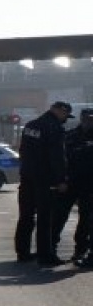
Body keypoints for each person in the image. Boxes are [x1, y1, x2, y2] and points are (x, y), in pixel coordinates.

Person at [13, 100, 73, 266]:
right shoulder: (54, 128)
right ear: (59, 111)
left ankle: (22, 252)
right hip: (45, 180)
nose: (65, 119)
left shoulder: (31, 125)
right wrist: (61, 179)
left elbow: (22, 150)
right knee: (45, 218)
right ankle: (45, 256)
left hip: (27, 177)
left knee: (26, 216)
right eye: (66, 115)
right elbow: (57, 157)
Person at [64, 108, 93, 266]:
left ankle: (86, 252)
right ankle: (79, 250)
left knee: (87, 220)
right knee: (60, 216)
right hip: (72, 183)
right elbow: (63, 157)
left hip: (90, 185)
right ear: (82, 118)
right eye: (87, 118)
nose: (89, 121)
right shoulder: (71, 135)